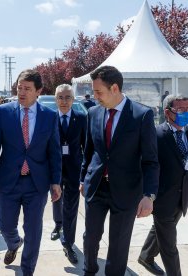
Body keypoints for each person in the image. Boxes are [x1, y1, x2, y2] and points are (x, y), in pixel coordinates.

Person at [80, 65, 159, 275]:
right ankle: (89, 271)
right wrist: (82, 179)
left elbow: (151, 160)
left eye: (99, 92)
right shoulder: (93, 113)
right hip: (96, 187)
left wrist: (149, 196)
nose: (94, 96)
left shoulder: (142, 116)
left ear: (114, 88)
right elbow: (88, 151)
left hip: (127, 191)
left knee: (118, 245)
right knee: (90, 238)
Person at [0, 69, 62, 276]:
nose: (21, 92)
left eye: (27, 88)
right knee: (5, 224)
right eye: (19, 87)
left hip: (37, 184)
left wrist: (56, 181)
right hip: (9, 180)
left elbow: (54, 151)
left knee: (34, 231)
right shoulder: (3, 112)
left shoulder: (50, 116)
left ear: (39, 91)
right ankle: (13, 243)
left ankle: (27, 270)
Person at [138, 95, 188, 276]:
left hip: (182, 198)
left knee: (159, 229)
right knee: (169, 245)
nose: (186, 113)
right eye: (181, 110)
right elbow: (147, 165)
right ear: (168, 113)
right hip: (162, 198)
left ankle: (146, 256)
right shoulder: (157, 135)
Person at [50, 84, 86, 264]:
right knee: (57, 199)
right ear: (55, 99)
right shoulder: (49, 119)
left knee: (71, 207)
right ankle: (58, 225)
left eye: (67, 97)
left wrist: (84, 174)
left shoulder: (81, 118)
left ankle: (68, 243)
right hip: (54, 169)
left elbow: (86, 147)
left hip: (74, 170)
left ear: (73, 99)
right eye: (60, 97)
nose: (64, 101)